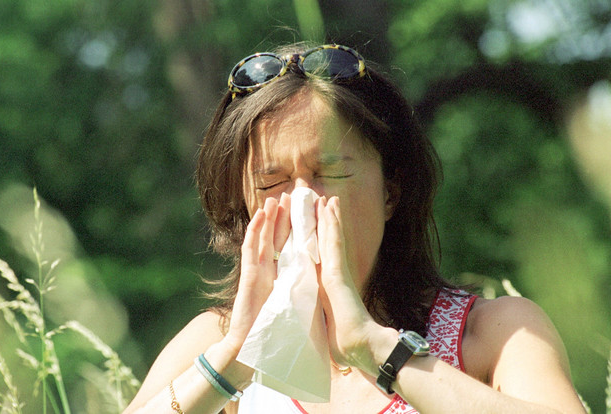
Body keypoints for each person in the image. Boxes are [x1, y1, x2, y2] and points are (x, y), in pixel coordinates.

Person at [123, 43, 586, 414]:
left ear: (391, 190)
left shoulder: (494, 333)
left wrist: (378, 346)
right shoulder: (215, 343)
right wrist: (234, 358)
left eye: (332, 174)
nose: (303, 200)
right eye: (272, 181)